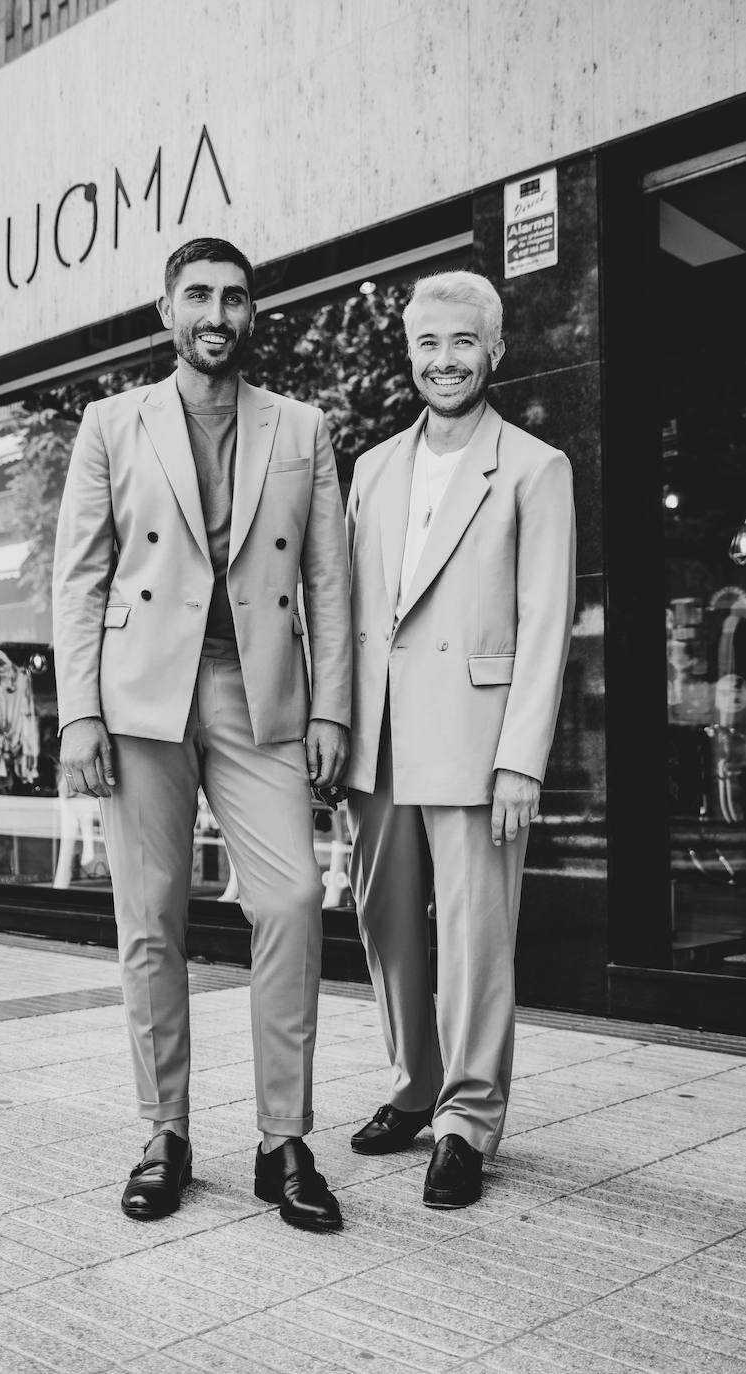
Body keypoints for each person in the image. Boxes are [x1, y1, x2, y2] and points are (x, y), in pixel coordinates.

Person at [53, 237, 351, 1231]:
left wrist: (332, 707)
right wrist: (80, 711)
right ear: (165, 311)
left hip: (257, 691)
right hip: (142, 693)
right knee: (151, 920)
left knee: (294, 898)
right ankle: (165, 1132)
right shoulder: (110, 423)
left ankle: (282, 1139)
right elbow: (82, 575)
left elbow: (328, 584)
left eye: (232, 297)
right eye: (197, 296)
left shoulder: (302, 427)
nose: (215, 313)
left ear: (251, 312)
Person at [345, 271, 575, 1207]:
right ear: (410, 354)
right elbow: (353, 611)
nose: (444, 361)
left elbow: (545, 621)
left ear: (494, 350)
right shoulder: (370, 467)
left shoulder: (534, 467)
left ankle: (467, 1120)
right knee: (386, 925)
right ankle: (411, 1085)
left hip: (478, 743)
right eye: (427, 344)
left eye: (461, 343)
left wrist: (522, 754)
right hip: (381, 739)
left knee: (476, 939)